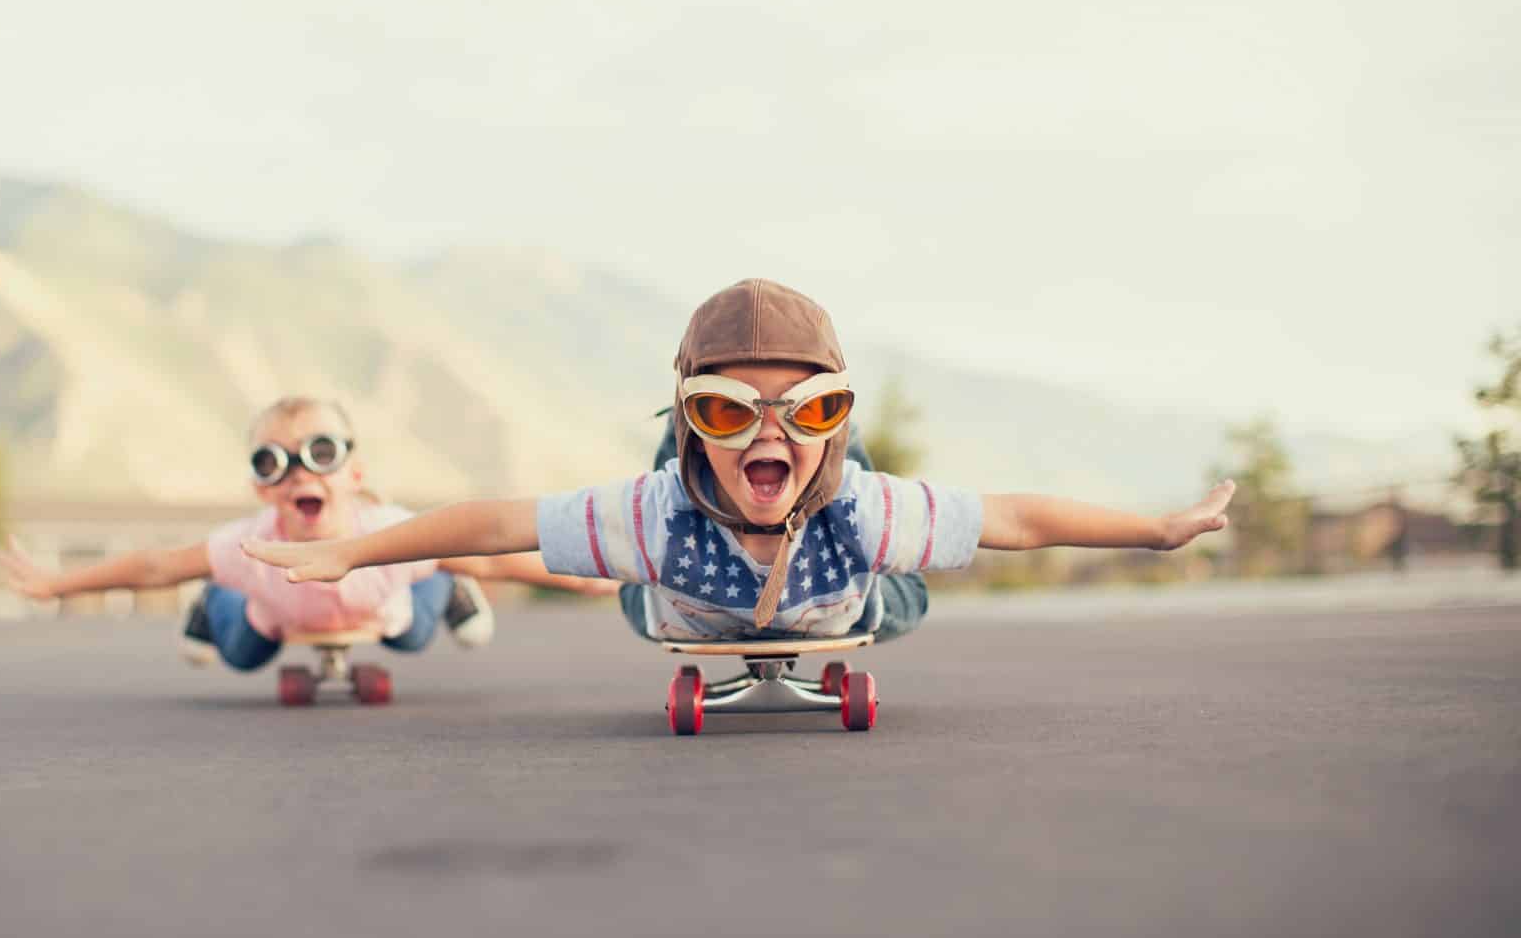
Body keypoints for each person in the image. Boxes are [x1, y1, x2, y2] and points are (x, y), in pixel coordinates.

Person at [242, 280, 1234, 645]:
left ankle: (816, 448)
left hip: (842, 590)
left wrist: (1157, 528)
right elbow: (494, 522)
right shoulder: (649, 516)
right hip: (677, 591)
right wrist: (354, 553)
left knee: (896, 583)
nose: (768, 432)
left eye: (808, 409)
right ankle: (710, 439)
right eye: (725, 407)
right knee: (646, 549)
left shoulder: (871, 515)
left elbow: (1016, 519)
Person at [0, 396, 614, 672]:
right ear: (262, 487)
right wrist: (59, 584)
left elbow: (492, 561)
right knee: (240, 655)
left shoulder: (388, 533)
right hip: (275, 614)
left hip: (384, 607)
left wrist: (585, 577)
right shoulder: (249, 546)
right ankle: (212, 607)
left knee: (417, 625)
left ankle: (443, 596)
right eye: (274, 462)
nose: (298, 473)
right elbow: (157, 567)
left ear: (353, 474)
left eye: (320, 453)